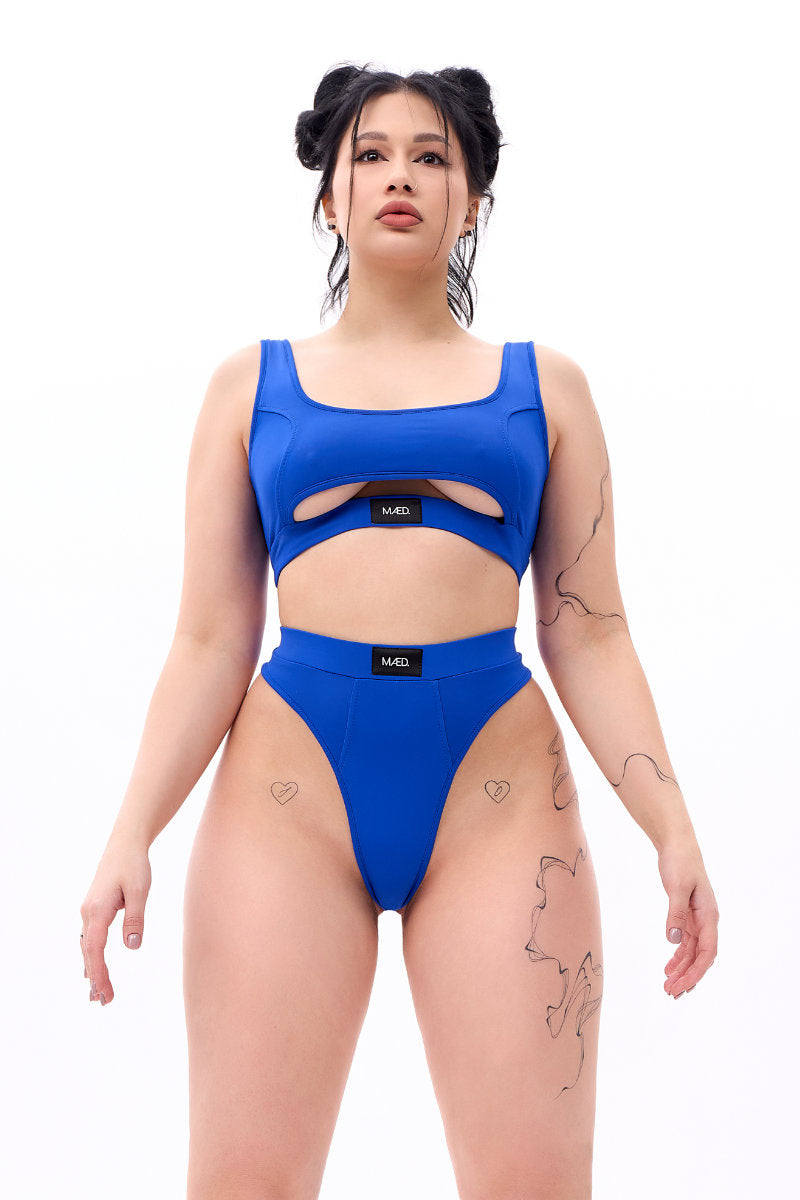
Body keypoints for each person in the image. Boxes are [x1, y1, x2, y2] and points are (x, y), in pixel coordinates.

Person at [79, 63, 719, 1199]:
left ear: (473, 201)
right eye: (369, 155)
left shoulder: (547, 388)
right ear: (329, 196)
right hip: (287, 802)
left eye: (432, 157)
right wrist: (131, 832)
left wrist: (671, 828)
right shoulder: (247, 388)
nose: (400, 177)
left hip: (497, 800)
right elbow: (208, 642)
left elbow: (590, 632)